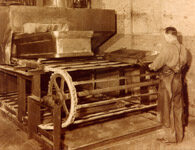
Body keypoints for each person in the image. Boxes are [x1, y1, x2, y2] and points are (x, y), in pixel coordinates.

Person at [149, 27, 188, 143]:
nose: (164, 38)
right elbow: (183, 64)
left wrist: (151, 66)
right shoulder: (183, 48)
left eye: (165, 36)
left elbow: (156, 65)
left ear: (169, 35)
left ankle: (170, 137)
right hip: (178, 81)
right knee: (178, 108)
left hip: (167, 82)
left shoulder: (167, 48)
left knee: (167, 109)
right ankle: (179, 136)